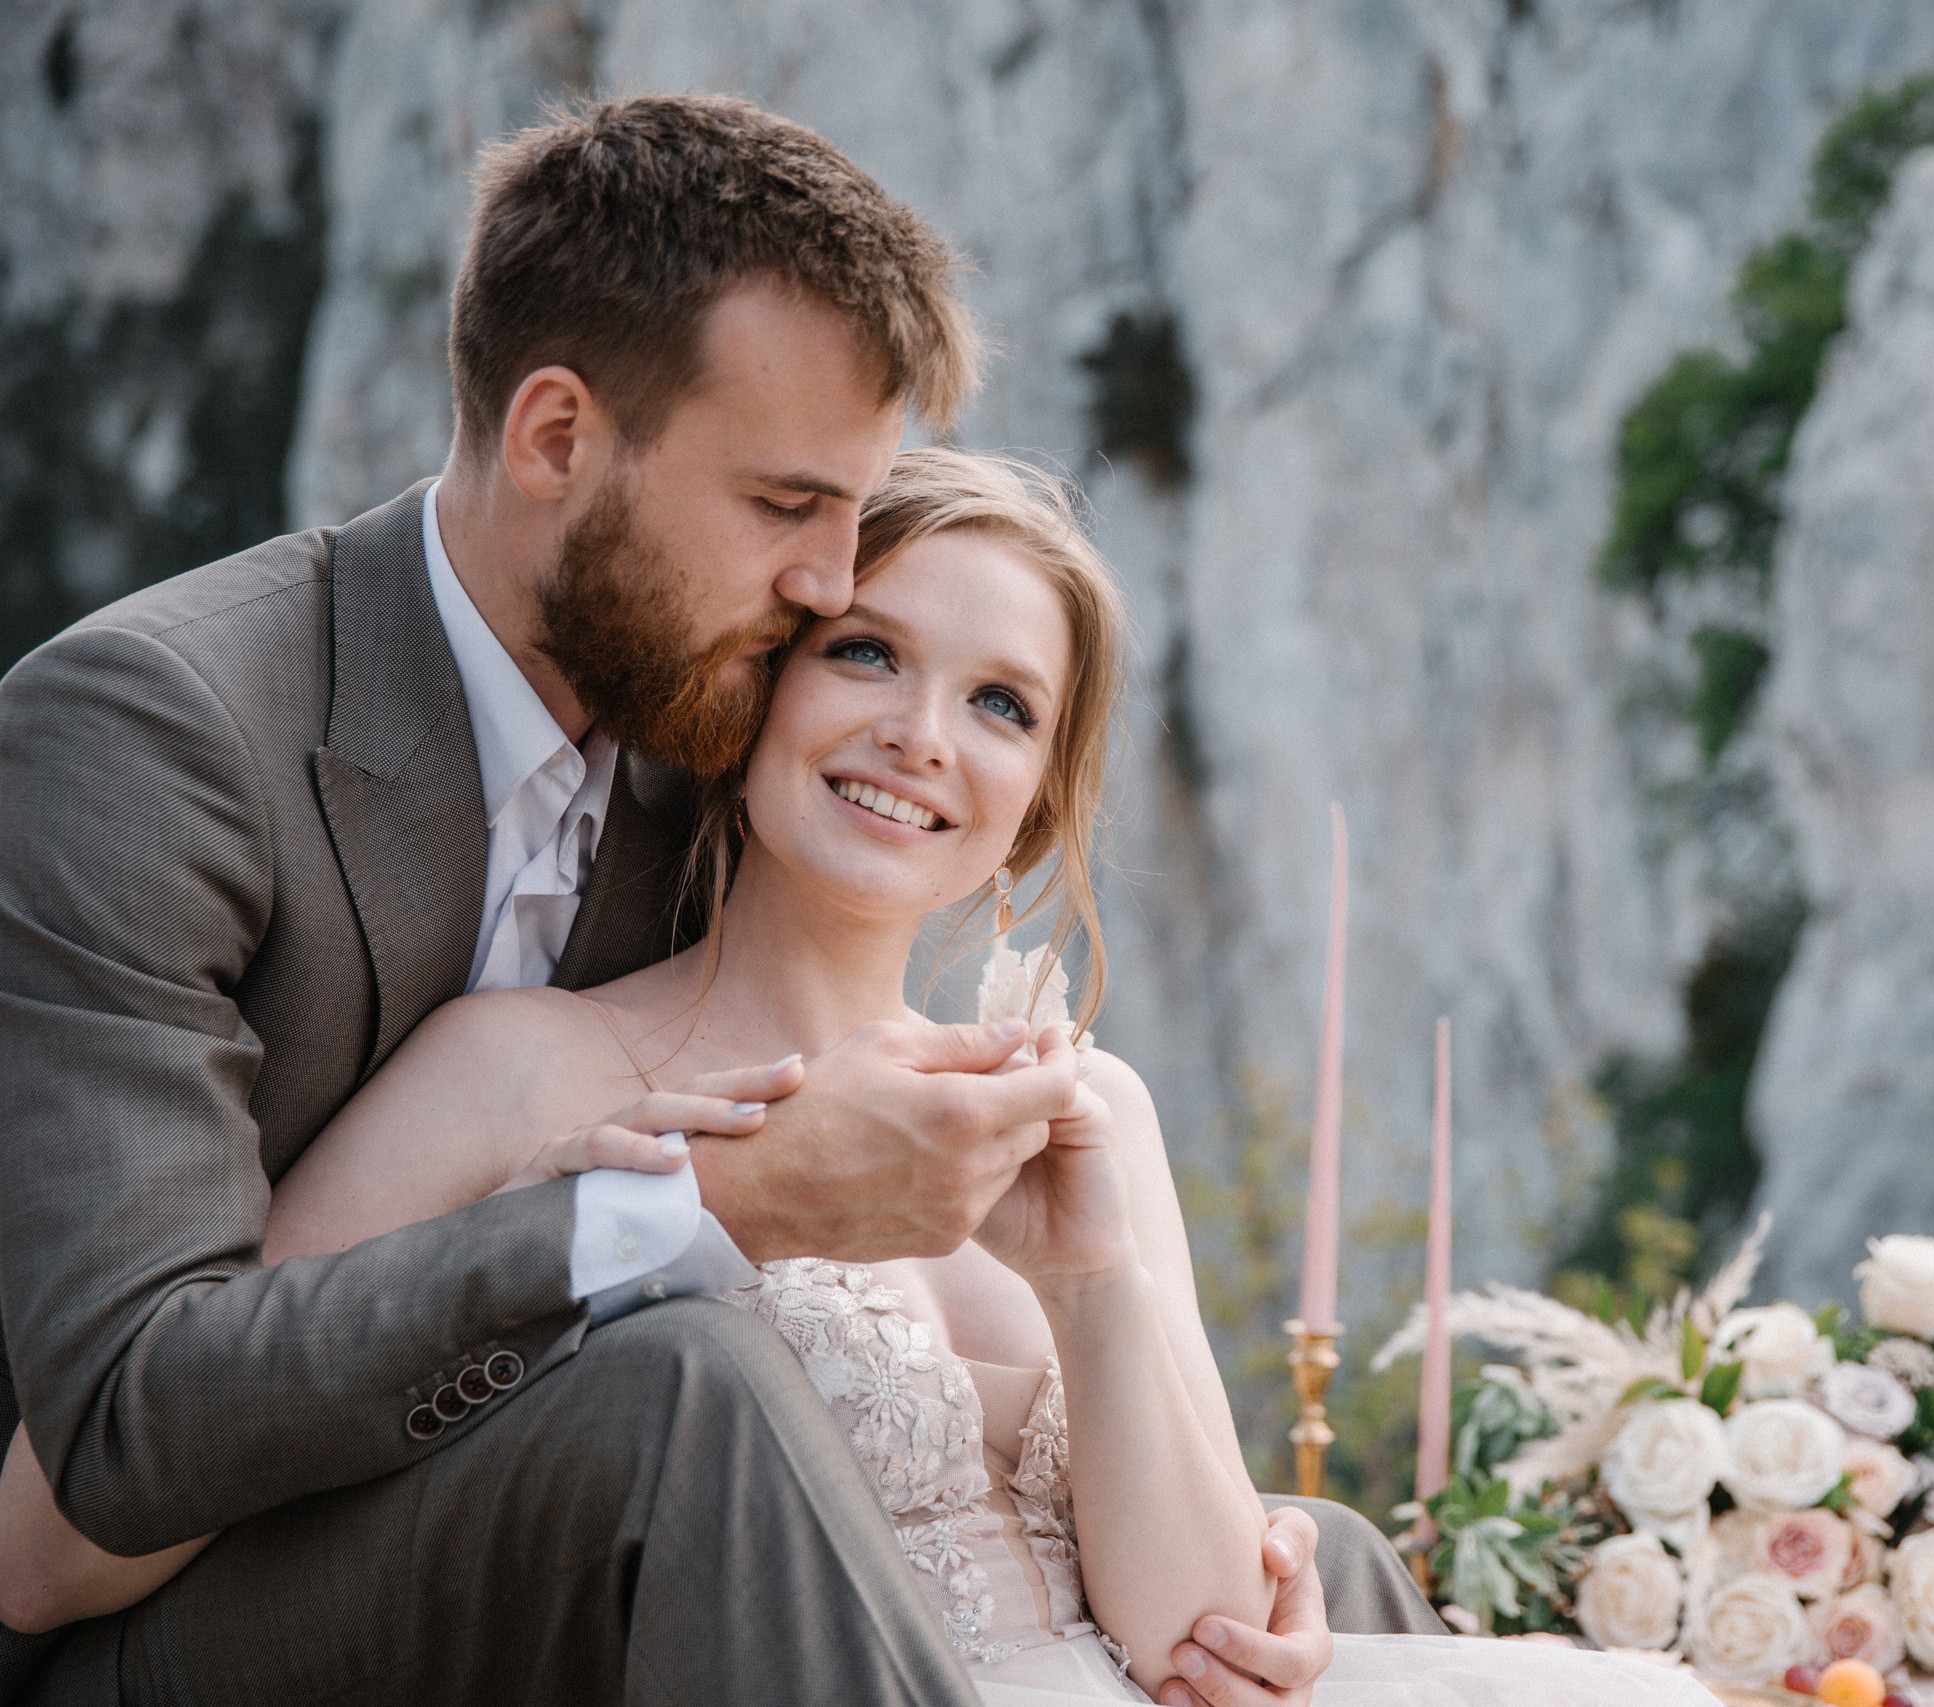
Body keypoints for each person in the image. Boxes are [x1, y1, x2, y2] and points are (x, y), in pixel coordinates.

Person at [0, 95, 1425, 1706]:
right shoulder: (155, 730)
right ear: (556, 438)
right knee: (689, 1384)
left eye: (1001, 708)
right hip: (185, 1598)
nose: (830, 588)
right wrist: (690, 1211)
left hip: (644, 1566)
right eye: (785, 507)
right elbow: (106, 1444)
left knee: (1328, 1547)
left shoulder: (713, 712)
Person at [8, 448, 1721, 1707]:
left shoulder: (1083, 1111)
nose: (922, 736)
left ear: (1038, 804)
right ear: (750, 698)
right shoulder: (531, 1065)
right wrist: (574, 1244)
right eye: (869, 655)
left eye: (1000, 706)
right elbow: (112, 1499)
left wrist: (1105, 1283)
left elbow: (1204, 1638)